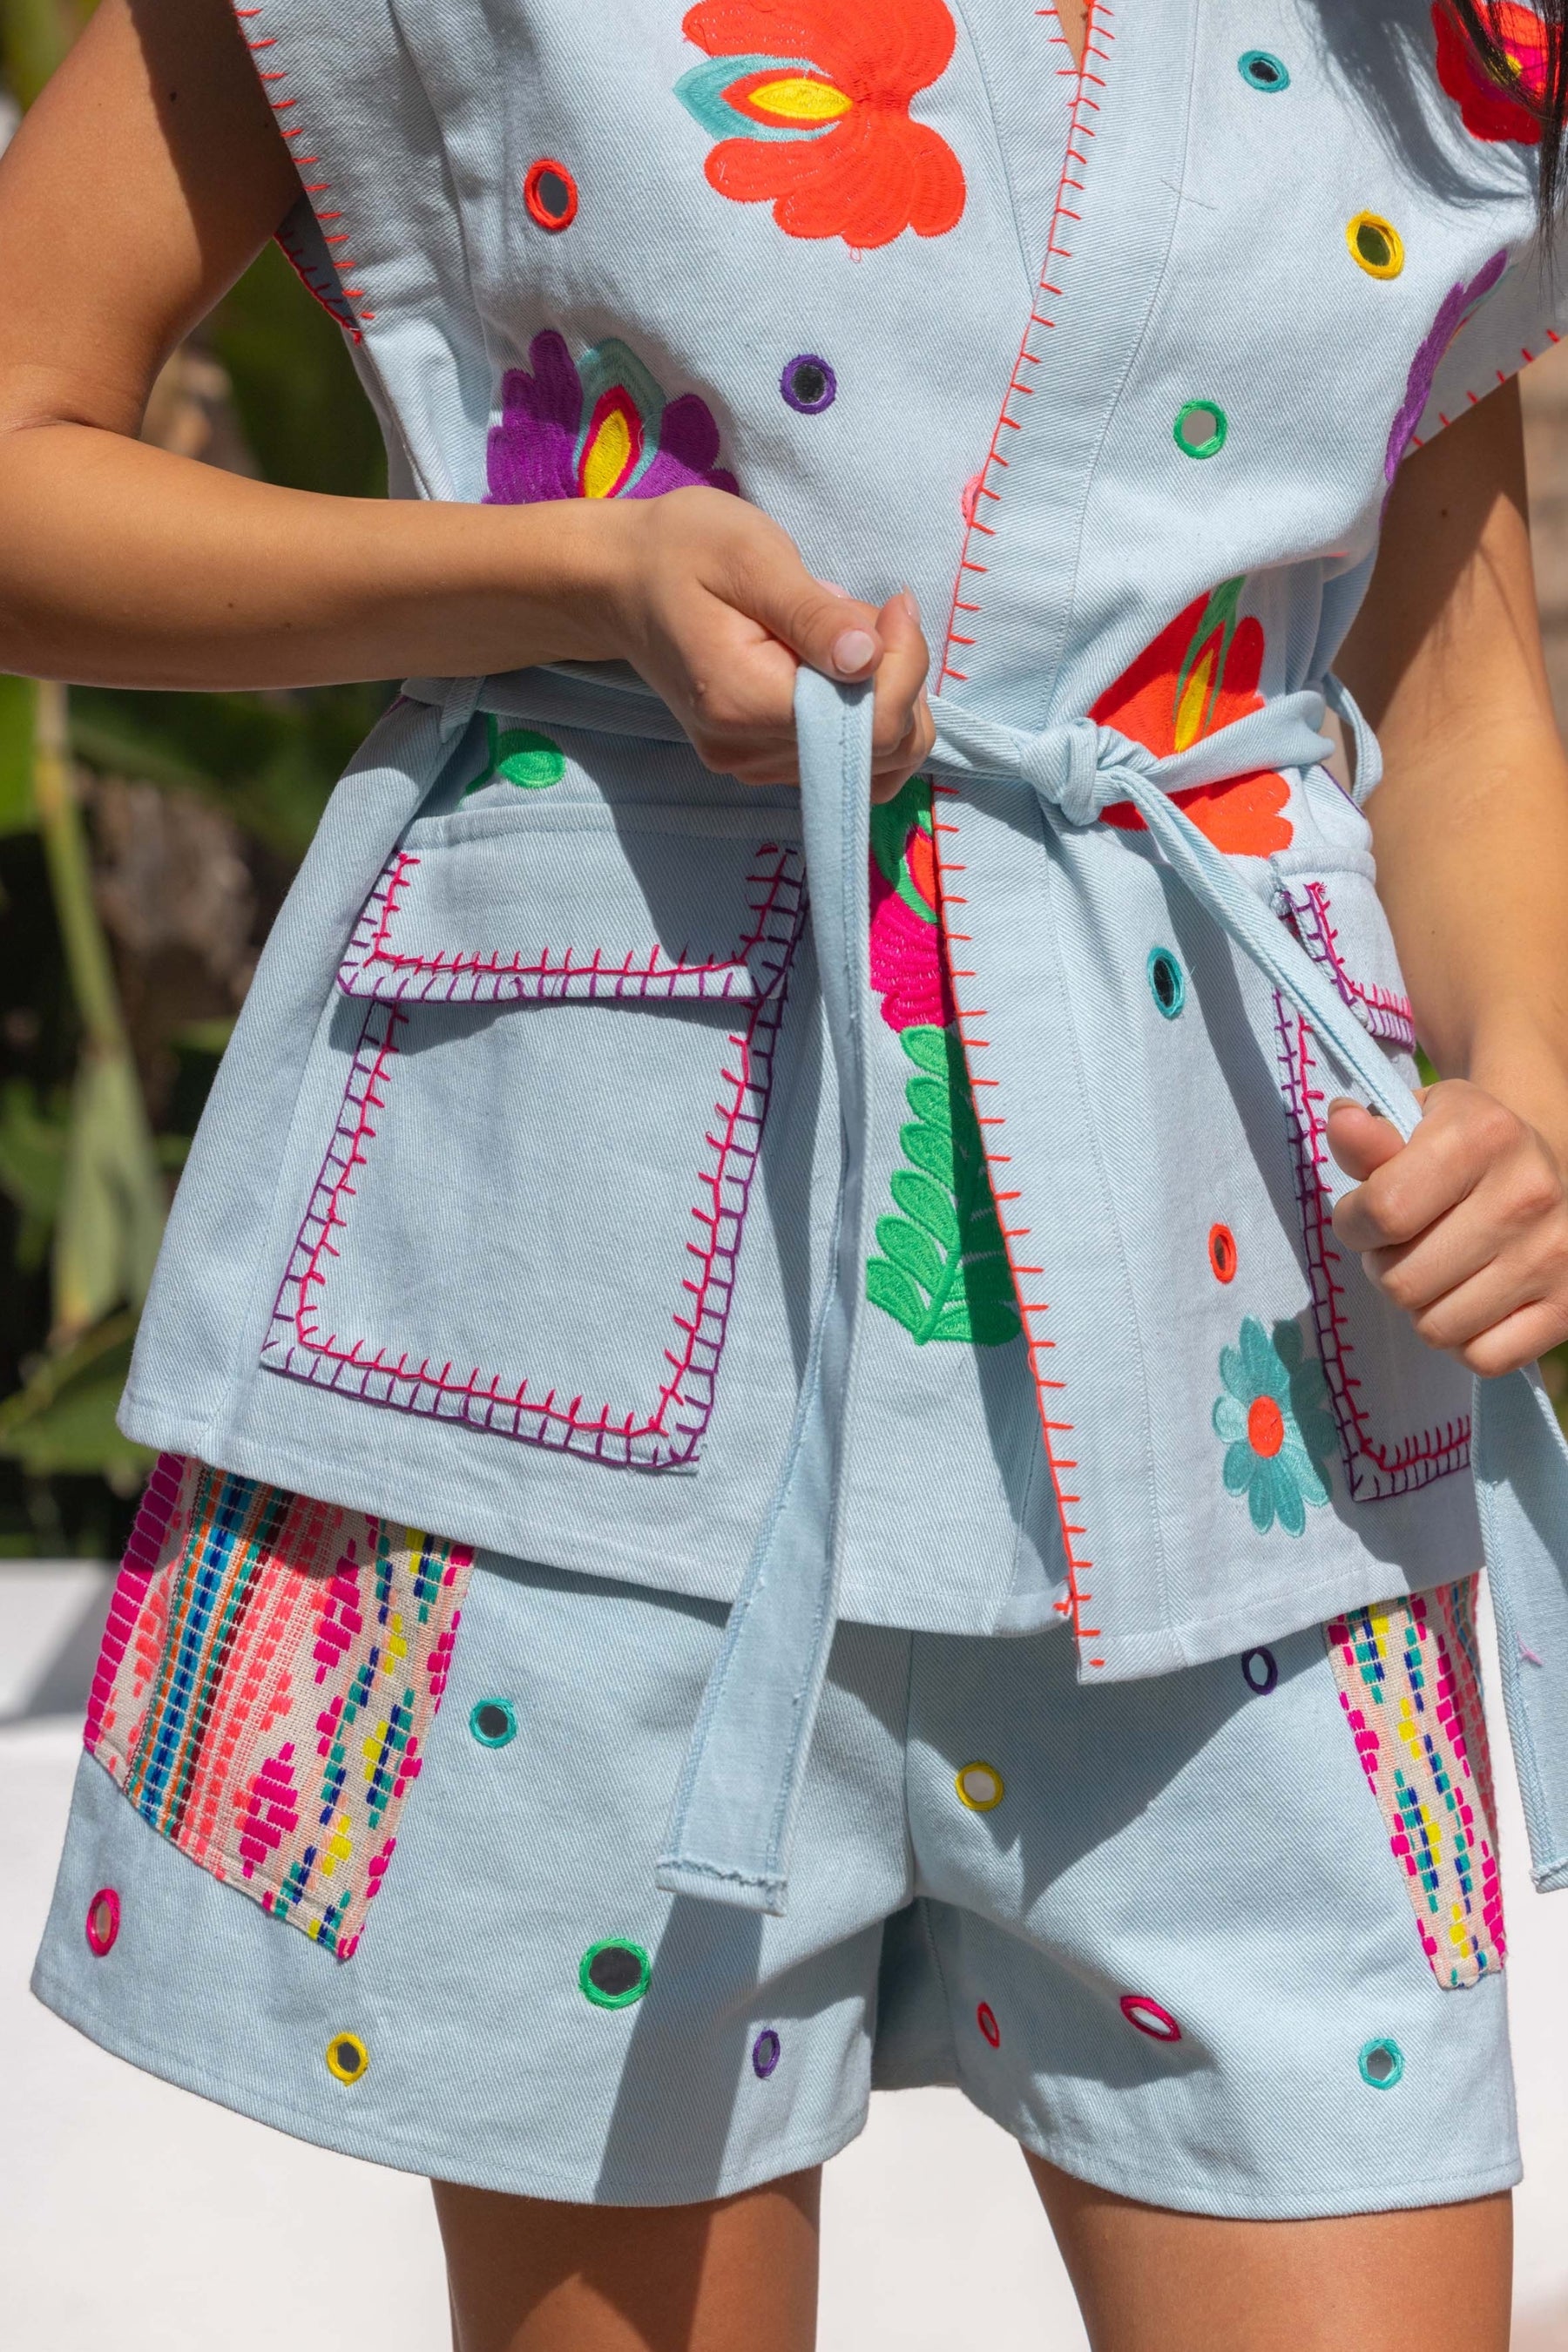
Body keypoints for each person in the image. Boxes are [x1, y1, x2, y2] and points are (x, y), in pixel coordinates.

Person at [10, 0, 1568, 2341]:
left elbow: (1440, 696)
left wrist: (1536, 1076)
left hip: (1249, 1385)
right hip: (594, 1405)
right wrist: (562, 577)